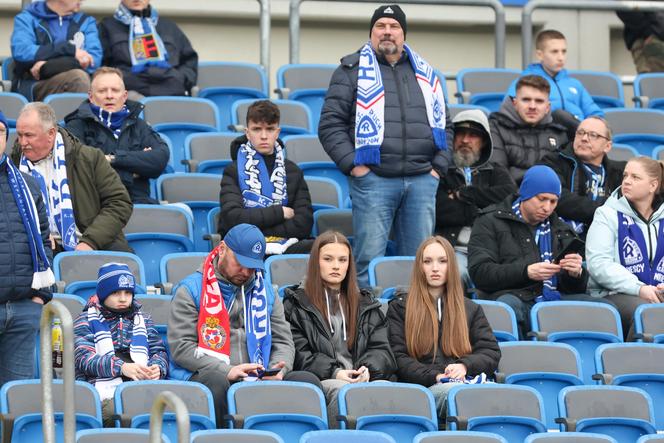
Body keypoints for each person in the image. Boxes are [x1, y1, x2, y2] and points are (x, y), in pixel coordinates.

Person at [319, 4, 454, 287]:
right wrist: (355, 167)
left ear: (404, 34)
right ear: (371, 33)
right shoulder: (349, 71)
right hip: (374, 181)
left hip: (422, 180)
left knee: (421, 265)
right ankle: (368, 328)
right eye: (380, 26)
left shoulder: (427, 74)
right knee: (369, 264)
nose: (387, 32)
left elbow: (447, 127)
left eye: (394, 27)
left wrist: (437, 169)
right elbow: (330, 126)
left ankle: (414, 327)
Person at [167, 223, 321, 427]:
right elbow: (182, 348)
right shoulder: (190, 290)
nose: (246, 271)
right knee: (216, 382)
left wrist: (277, 370)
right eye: (240, 262)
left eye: (252, 266)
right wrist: (227, 370)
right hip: (211, 376)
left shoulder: (266, 290)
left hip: (259, 374)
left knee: (308, 382)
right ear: (222, 249)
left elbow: (283, 341)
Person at [283, 231, 396, 424]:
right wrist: (335, 372)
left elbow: (382, 350)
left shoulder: (366, 303)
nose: (336, 266)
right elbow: (300, 354)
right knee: (342, 391)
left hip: (362, 377)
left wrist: (367, 369)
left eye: (343, 260)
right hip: (325, 378)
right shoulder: (297, 304)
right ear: (316, 263)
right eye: (328, 259)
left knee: (385, 388)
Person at [468, 165, 594, 337]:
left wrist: (576, 274)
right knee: (508, 307)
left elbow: (573, 288)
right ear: (525, 194)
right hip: (515, 297)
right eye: (541, 199)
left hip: (554, 298)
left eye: (553, 201)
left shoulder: (562, 229)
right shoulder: (489, 221)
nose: (547, 207)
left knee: (602, 308)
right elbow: (480, 273)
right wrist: (526, 272)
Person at [386, 236, 500, 422]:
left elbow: (490, 352)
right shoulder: (400, 308)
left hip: (464, 382)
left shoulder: (470, 309)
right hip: (424, 388)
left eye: (442, 261)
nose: (435, 268)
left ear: (451, 266)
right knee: (458, 395)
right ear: (419, 267)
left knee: (506, 395)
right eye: (428, 261)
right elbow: (397, 357)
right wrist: (436, 376)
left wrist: (465, 365)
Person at [12, 102, 133, 253]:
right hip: (42, 250)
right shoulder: (12, 167)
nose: (23, 142)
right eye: (19, 135)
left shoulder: (89, 158)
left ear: (51, 133)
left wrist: (90, 241)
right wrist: (36, 234)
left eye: (29, 135)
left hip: (96, 244)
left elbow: (119, 203)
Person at [74, 262, 167, 426]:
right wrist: (122, 367)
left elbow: (158, 351)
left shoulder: (144, 319)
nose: (123, 298)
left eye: (128, 292)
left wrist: (157, 368)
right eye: (116, 293)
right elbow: (84, 359)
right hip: (100, 388)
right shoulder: (85, 320)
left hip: (141, 384)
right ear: (103, 294)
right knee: (117, 410)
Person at [0, 110, 55, 387]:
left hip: (23, 309)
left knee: (14, 400)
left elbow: (45, 241)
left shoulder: (28, 184)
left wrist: (40, 297)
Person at [219, 100, 314, 254]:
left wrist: (261, 228)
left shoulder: (293, 171)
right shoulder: (233, 170)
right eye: (257, 129)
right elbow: (233, 219)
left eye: (269, 129)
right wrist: (280, 213)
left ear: (277, 132)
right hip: (244, 247)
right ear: (247, 132)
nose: (264, 136)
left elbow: (303, 224)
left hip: (286, 246)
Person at [435, 109, 516, 288]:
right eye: (461, 134)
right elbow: (438, 210)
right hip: (453, 250)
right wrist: (481, 210)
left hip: (492, 251)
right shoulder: (441, 170)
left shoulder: (495, 171)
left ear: (484, 141)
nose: (465, 140)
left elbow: (510, 197)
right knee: (457, 274)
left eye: (473, 135)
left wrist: (465, 194)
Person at [65, 67, 170, 204]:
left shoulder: (139, 126)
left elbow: (160, 159)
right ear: (91, 96)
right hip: (96, 206)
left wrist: (112, 159)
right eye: (102, 91)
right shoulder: (76, 125)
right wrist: (133, 170)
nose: (109, 95)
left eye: (115, 90)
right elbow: (81, 167)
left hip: (140, 204)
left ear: (124, 96)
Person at [586, 157, 664, 338]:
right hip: (612, 294)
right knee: (644, 311)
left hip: (655, 292)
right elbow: (599, 264)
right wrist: (639, 288)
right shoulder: (607, 214)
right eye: (625, 175)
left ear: (653, 186)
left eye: (636, 177)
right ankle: (637, 364)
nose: (627, 181)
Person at [542, 116, 625, 237]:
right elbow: (560, 199)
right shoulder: (553, 161)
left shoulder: (620, 171)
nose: (584, 138)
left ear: (607, 146)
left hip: (608, 237)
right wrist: (607, 210)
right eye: (580, 133)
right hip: (563, 237)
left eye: (593, 135)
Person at [99, 0, 198, 97]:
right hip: (128, 94)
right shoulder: (107, 27)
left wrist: (181, 78)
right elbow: (100, 67)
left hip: (171, 90)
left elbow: (189, 60)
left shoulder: (169, 26)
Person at [10, 0, 102, 101]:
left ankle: (82, 117)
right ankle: (81, 117)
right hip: (35, 84)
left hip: (76, 82)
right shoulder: (27, 18)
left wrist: (49, 66)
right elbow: (22, 52)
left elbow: (93, 60)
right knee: (79, 78)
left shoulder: (86, 22)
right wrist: (69, 50)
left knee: (105, 82)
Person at [506, 29, 603, 121]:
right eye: (554, 52)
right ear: (540, 55)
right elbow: (508, 112)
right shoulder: (524, 82)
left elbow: (594, 113)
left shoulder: (574, 84)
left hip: (578, 135)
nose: (561, 57)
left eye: (564, 51)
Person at [490, 75, 569, 184]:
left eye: (539, 101)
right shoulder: (496, 127)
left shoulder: (559, 134)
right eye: (526, 100)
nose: (532, 106)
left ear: (547, 107)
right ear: (515, 103)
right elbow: (498, 175)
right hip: (511, 198)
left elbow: (563, 179)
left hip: (550, 199)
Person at [617, 6, 664, 73]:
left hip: (654, 36)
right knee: (653, 81)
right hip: (651, 41)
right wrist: (647, 33)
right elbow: (624, 5)